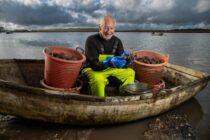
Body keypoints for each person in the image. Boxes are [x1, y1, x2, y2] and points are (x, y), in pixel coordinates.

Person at [84, 14, 135, 97]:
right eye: (106, 28)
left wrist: (127, 61)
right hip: (93, 69)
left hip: (110, 70)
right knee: (98, 80)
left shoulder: (117, 41)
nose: (109, 31)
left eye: (111, 28)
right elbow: (93, 65)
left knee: (131, 72)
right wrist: (109, 62)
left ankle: (123, 94)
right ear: (100, 27)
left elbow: (121, 64)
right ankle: (99, 102)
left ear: (114, 29)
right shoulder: (91, 40)